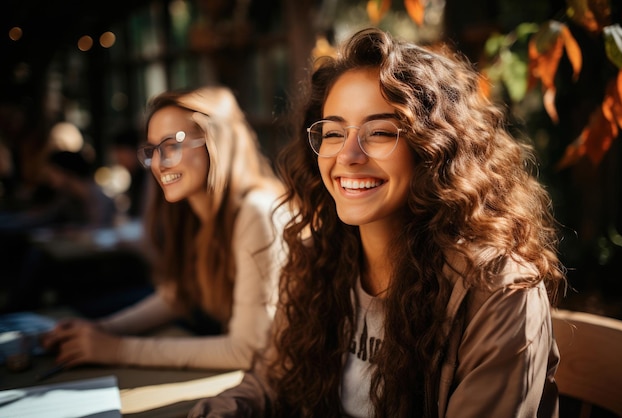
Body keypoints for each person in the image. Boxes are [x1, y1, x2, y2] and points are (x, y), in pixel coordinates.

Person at [187, 27, 566, 417]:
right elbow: (272, 379)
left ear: (435, 148)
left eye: (380, 132)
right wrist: (226, 408)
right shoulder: (322, 259)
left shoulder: (500, 291)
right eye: (333, 132)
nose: (348, 155)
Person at [41, 86, 288, 370]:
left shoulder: (257, 213)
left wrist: (116, 349)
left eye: (171, 145)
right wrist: (101, 329)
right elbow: (179, 295)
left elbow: (247, 350)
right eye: (152, 149)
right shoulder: (193, 212)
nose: (158, 163)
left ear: (216, 142)